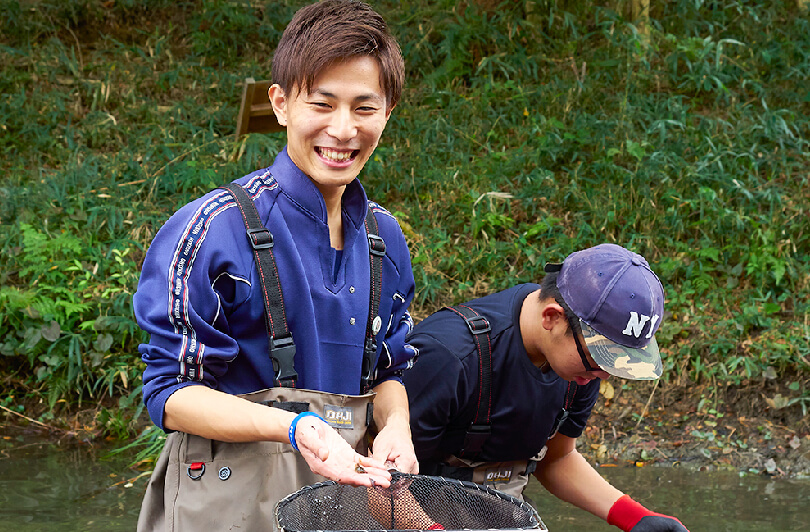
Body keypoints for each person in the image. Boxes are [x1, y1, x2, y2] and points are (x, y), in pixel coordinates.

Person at [133, 2, 417, 530]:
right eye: (322, 103)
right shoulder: (212, 229)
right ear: (281, 103)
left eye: (363, 108)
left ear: (388, 111)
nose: (342, 129)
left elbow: (387, 372)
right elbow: (169, 394)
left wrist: (396, 425)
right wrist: (295, 428)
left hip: (343, 504)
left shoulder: (387, 239)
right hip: (224, 506)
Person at [402, 243, 690, 532]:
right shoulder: (449, 356)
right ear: (552, 317)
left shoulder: (578, 366)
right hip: (407, 511)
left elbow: (557, 458)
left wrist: (635, 517)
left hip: (502, 511)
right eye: (599, 359)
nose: (604, 375)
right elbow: (380, 483)